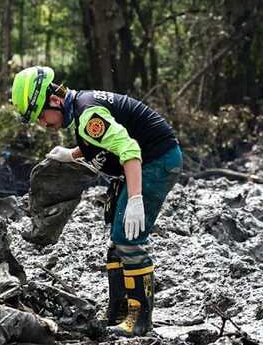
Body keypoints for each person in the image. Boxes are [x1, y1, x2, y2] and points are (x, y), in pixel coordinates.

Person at [11, 66, 182, 337]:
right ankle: (118, 312)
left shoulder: (89, 113)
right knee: (116, 242)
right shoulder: (82, 109)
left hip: (155, 162)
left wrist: (136, 198)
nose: (43, 124)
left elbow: (129, 150)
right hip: (140, 164)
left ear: (54, 100)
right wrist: (71, 154)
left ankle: (140, 321)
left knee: (129, 240)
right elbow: (100, 143)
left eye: (42, 116)